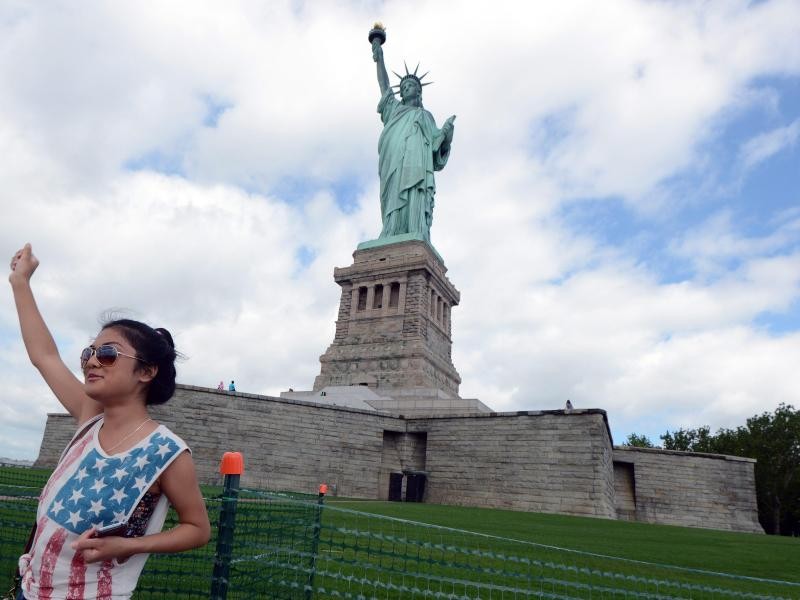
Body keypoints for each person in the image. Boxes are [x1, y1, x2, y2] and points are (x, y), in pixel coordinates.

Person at [8, 243, 210, 600]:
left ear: (146, 371)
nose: (91, 362)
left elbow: (197, 529)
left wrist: (127, 546)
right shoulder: (90, 419)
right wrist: (20, 281)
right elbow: (44, 356)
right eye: (90, 352)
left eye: (108, 354)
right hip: (30, 590)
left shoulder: (167, 453)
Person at [371, 39, 455, 243]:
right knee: (393, 196)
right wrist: (379, 58)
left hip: (417, 166)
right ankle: (392, 231)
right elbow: (384, 86)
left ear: (419, 90)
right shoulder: (394, 110)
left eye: (411, 85)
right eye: (404, 86)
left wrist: (446, 135)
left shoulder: (426, 116)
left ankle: (416, 229)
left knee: (414, 194)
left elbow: (437, 148)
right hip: (394, 163)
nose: (406, 88)